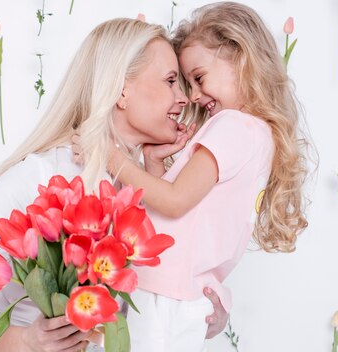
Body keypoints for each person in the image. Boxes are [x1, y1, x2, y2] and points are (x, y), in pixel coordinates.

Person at [0, 18, 228, 352]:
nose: (183, 99)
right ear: (121, 89)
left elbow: (152, 304)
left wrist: (204, 314)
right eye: (171, 81)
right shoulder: (37, 177)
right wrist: (27, 341)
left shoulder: (155, 190)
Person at [103, 3, 310, 351]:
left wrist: (112, 158)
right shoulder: (256, 134)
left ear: (241, 58)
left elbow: (174, 201)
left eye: (198, 78)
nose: (194, 95)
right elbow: (181, 217)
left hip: (166, 295)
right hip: (176, 294)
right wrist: (153, 165)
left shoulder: (233, 126)